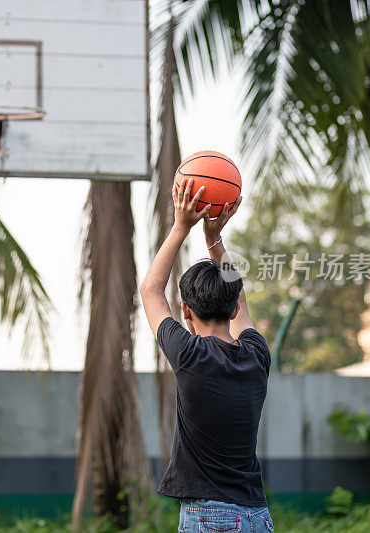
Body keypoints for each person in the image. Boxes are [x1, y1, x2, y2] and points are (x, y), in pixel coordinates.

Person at [139, 177, 274, 532]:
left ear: (185, 311)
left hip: (210, 519)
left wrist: (182, 226)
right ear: (233, 310)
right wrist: (213, 238)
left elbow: (152, 291)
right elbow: (239, 297)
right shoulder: (257, 355)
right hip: (257, 515)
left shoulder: (189, 356)